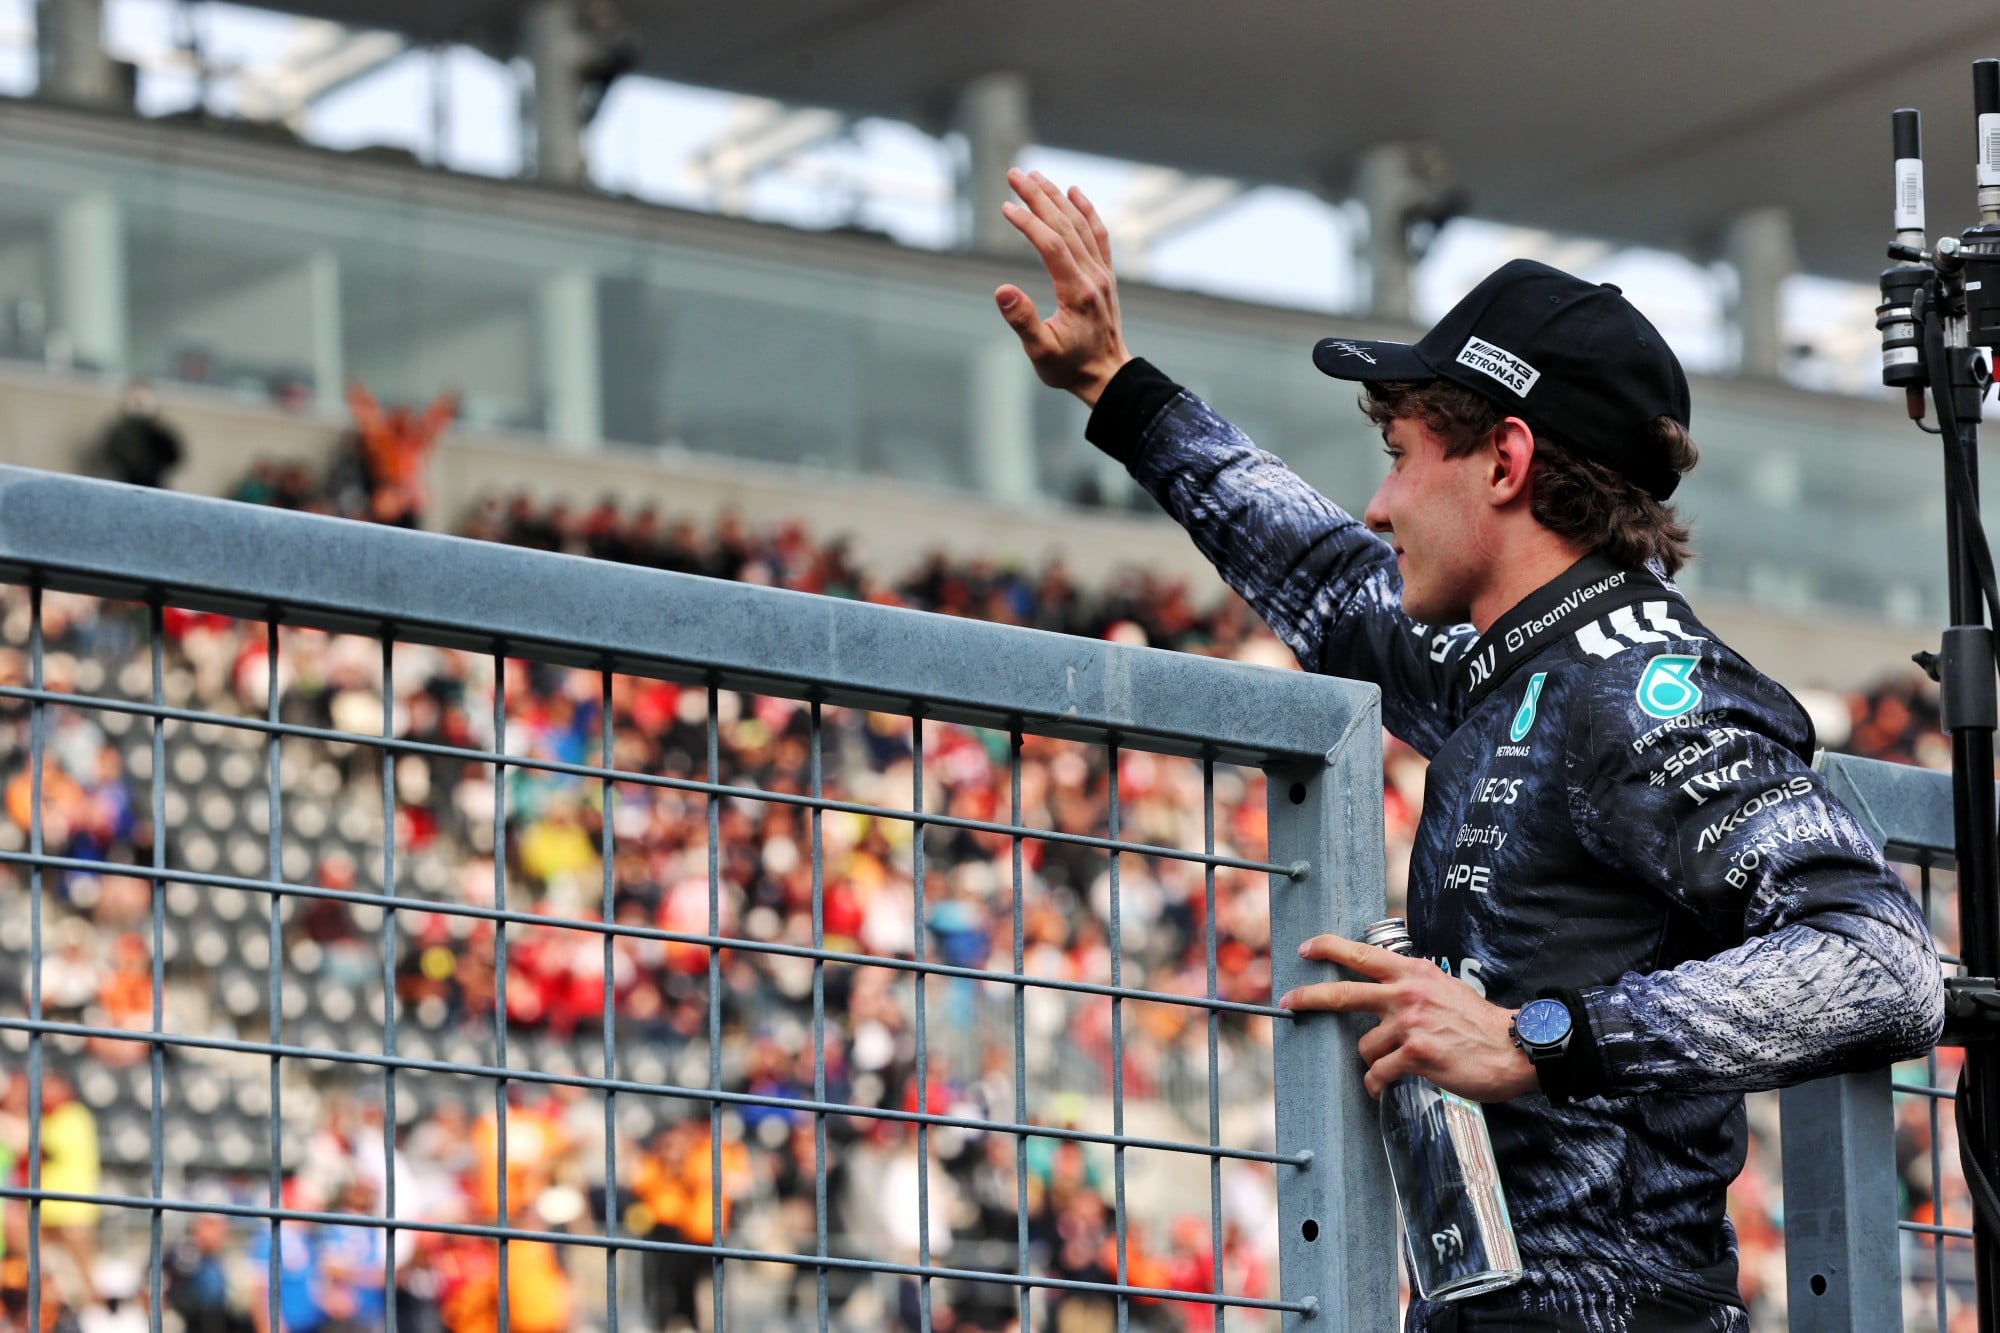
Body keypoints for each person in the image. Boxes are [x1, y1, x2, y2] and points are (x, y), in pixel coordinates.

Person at [990, 167, 1945, 1331]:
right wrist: (1115, 386)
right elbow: (1324, 582)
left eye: (1398, 454)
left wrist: (1541, 1040)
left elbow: (1878, 961)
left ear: (1503, 460)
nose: (1379, 502)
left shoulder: (1643, 690)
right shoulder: (1510, 663)